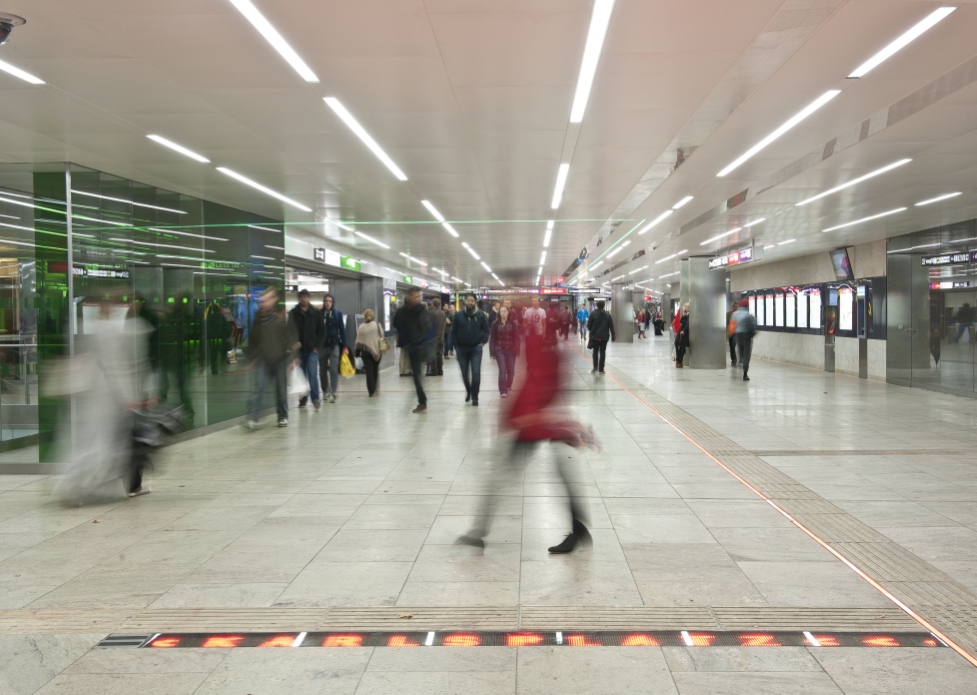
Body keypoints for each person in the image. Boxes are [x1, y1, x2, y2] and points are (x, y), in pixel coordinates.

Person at [458, 327, 596, 553]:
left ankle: (479, 531)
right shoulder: (549, 353)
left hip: (534, 426)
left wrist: (525, 418)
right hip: (537, 425)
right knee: (560, 475)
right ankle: (579, 528)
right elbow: (541, 386)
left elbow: (542, 389)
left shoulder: (546, 353)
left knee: (503, 476)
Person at [249, 287, 298, 428]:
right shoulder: (258, 320)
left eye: (266, 300)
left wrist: (293, 357)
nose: (263, 303)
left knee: (281, 390)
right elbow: (253, 339)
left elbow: (290, 338)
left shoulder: (280, 318)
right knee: (258, 388)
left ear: (274, 300)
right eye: (262, 301)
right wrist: (253, 356)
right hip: (263, 359)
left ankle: (282, 416)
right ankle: (253, 417)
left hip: (280, 360)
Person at [393, 287, 433, 413]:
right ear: (409, 297)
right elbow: (397, 324)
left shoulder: (421, 310)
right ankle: (422, 401)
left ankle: (422, 401)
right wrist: (402, 339)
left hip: (421, 346)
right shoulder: (402, 311)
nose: (418, 299)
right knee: (416, 376)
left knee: (417, 375)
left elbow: (427, 326)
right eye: (416, 296)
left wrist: (423, 341)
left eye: (420, 297)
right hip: (410, 346)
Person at [451, 292, 490, 406]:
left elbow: (487, 330)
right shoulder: (458, 316)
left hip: (475, 348)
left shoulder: (481, 315)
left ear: (475, 302)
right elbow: (453, 332)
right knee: (464, 373)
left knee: (476, 373)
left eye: (472, 301)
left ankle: (475, 397)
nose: (470, 302)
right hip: (461, 349)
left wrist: (483, 341)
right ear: (465, 302)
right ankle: (469, 390)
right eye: (468, 300)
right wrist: (456, 345)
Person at [289, 289, 324, 409]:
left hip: (312, 349)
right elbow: (290, 332)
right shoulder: (294, 313)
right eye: (301, 297)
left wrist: (317, 346)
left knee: (313, 373)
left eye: (306, 297)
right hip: (299, 350)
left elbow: (322, 331)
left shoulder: (315, 312)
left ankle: (315, 398)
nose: (304, 299)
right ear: (299, 298)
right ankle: (303, 398)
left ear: (308, 298)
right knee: (302, 375)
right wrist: (294, 348)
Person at [319, 293, 348, 403]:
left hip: (334, 345)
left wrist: (345, 346)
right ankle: (325, 391)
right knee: (322, 371)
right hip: (322, 346)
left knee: (333, 370)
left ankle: (333, 392)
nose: (328, 303)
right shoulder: (319, 314)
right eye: (326, 301)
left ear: (333, 302)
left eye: (330, 301)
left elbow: (342, 330)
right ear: (324, 302)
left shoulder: (337, 314)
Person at [490, 305, 520, 397]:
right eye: (501, 311)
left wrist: (517, 349)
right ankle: (502, 390)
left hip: (511, 350)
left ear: (508, 313)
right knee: (502, 370)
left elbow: (516, 337)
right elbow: (492, 338)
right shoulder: (495, 324)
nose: (503, 313)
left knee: (511, 372)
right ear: (499, 313)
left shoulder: (512, 324)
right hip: (499, 350)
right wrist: (492, 351)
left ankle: (508, 386)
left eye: (505, 311)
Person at [354, 308, 385, 396]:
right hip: (376, 351)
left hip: (365, 352)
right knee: (375, 370)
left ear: (364, 316)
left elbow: (359, 341)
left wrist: (357, 353)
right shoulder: (377, 325)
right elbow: (382, 335)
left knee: (369, 371)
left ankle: (371, 392)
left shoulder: (361, 327)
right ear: (373, 315)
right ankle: (375, 388)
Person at [731, 298, 757, 381]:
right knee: (746, 355)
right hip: (747, 337)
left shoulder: (735, 314)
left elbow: (732, 326)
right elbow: (754, 326)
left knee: (741, 351)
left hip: (738, 336)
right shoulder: (748, 315)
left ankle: (740, 360)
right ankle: (745, 373)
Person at [587, 300, 615, 374]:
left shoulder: (593, 314)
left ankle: (595, 367)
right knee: (603, 352)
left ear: (597, 305)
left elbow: (589, 325)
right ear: (604, 306)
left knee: (595, 352)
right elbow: (611, 326)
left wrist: (592, 331)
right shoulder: (607, 315)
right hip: (604, 337)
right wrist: (613, 336)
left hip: (595, 337)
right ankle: (601, 369)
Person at [426, 298, 447, 376]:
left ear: (433, 304)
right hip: (441, 336)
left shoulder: (431, 313)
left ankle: (434, 371)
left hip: (433, 337)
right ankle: (440, 370)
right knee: (439, 354)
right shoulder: (443, 313)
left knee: (433, 354)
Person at [675, 304, 690, 368]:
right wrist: (683, 316)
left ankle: (680, 361)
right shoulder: (685, 315)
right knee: (676, 342)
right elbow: (680, 321)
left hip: (684, 332)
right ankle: (678, 359)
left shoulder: (690, 315)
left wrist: (684, 331)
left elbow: (688, 324)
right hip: (680, 330)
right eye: (684, 308)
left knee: (682, 346)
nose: (685, 309)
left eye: (686, 308)